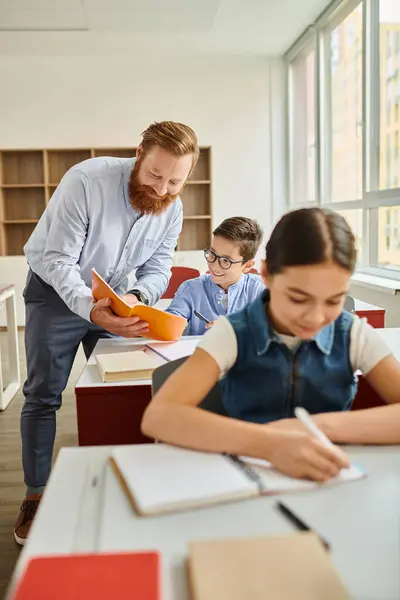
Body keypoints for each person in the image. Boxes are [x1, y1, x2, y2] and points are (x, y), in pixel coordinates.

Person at [14, 121, 199, 545]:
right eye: (155, 175)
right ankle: (36, 494)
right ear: (139, 154)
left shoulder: (172, 205)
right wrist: (90, 310)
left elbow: (158, 268)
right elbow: (59, 259)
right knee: (43, 394)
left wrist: (134, 296)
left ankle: (126, 480)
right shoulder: (86, 180)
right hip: (53, 295)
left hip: (116, 298)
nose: (161, 189)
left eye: (175, 181)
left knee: (127, 384)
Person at [142, 207, 400, 482]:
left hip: (328, 478)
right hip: (246, 480)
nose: (315, 317)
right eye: (298, 298)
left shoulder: (353, 334)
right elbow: (160, 417)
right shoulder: (233, 332)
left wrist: (313, 426)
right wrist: (270, 444)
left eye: (334, 300)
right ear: (266, 276)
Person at [166, 217, 265, 335]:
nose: (214, 265)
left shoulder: (260, 290)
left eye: (226, 261)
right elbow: (169, 323)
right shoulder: (191, 288)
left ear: (247, 265)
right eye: (212, 254)